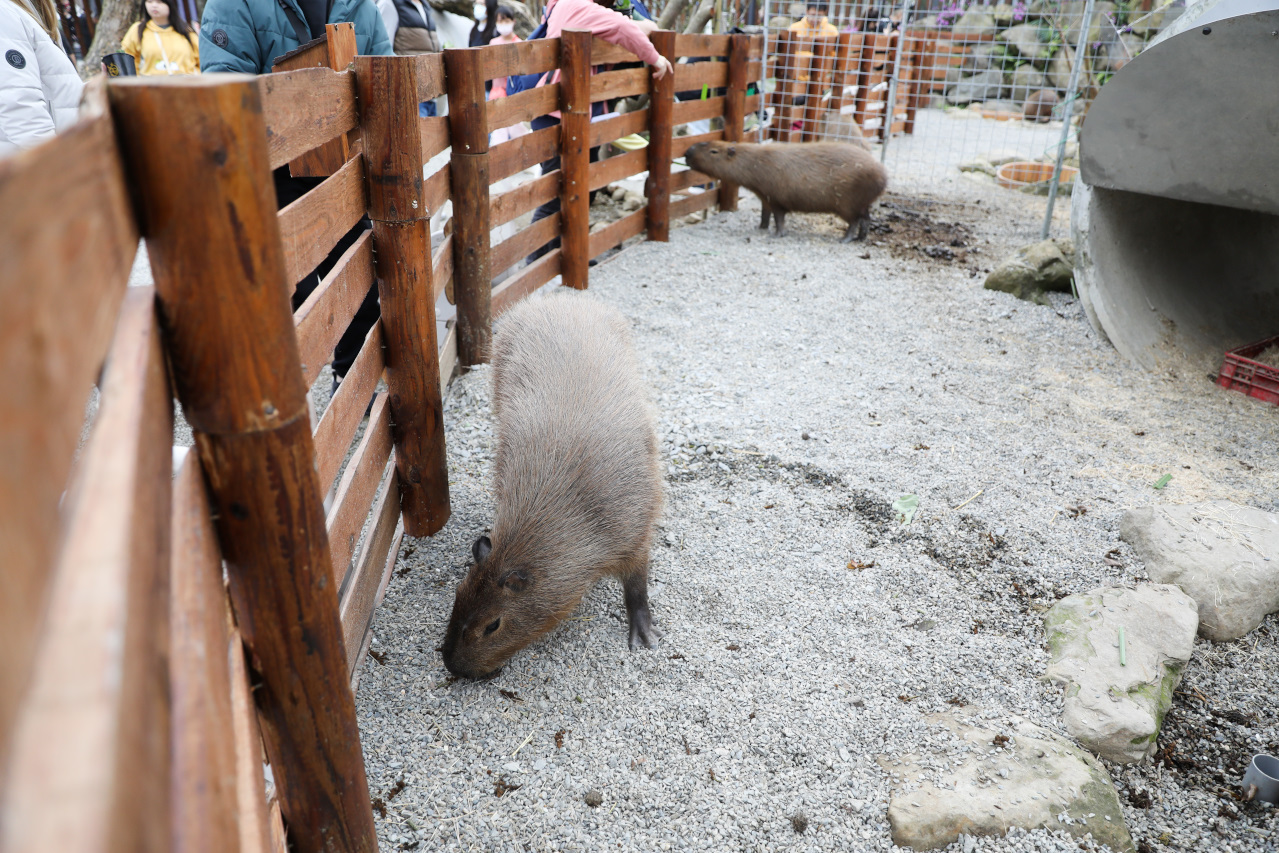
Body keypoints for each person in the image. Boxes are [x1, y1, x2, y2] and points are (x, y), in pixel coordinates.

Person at [199, 0, 391, 392]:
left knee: (362, 278)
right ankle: (283, 399)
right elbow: (225, 86)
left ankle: (351, 379)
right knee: (288, 291)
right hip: (275, 173)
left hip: (346, 166)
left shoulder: (361, 7)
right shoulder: (234, 4)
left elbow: (384, 76)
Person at [525, 0, 670, 262]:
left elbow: (616, 24)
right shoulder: (578, 5)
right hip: (560, 115)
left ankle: (569, 256)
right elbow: (619, 26)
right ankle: (533, 267)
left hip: (572, 113)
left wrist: (638, 25)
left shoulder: (569, 6)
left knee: (580, 188)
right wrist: (655, 58)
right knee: (557, 192)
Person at [0, 0, 83, 157]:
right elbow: (19, 107)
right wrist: (58, 164)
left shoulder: (29, 10)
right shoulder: (4, 12)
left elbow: (54, 89)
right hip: (41, 167)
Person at [376, 0, 441, 114]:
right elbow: (383, 51)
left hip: (430, 94)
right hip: (408, 96)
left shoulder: (425, 7)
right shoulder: (390, 4)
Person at [121, 0, 200, 75]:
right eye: (149, 1)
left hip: (186, 86)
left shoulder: (187, 32)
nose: (154, 6)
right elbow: (126, 62)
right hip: (150, 87)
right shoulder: (137, 30)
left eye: (159, 2)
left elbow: (201, 61)